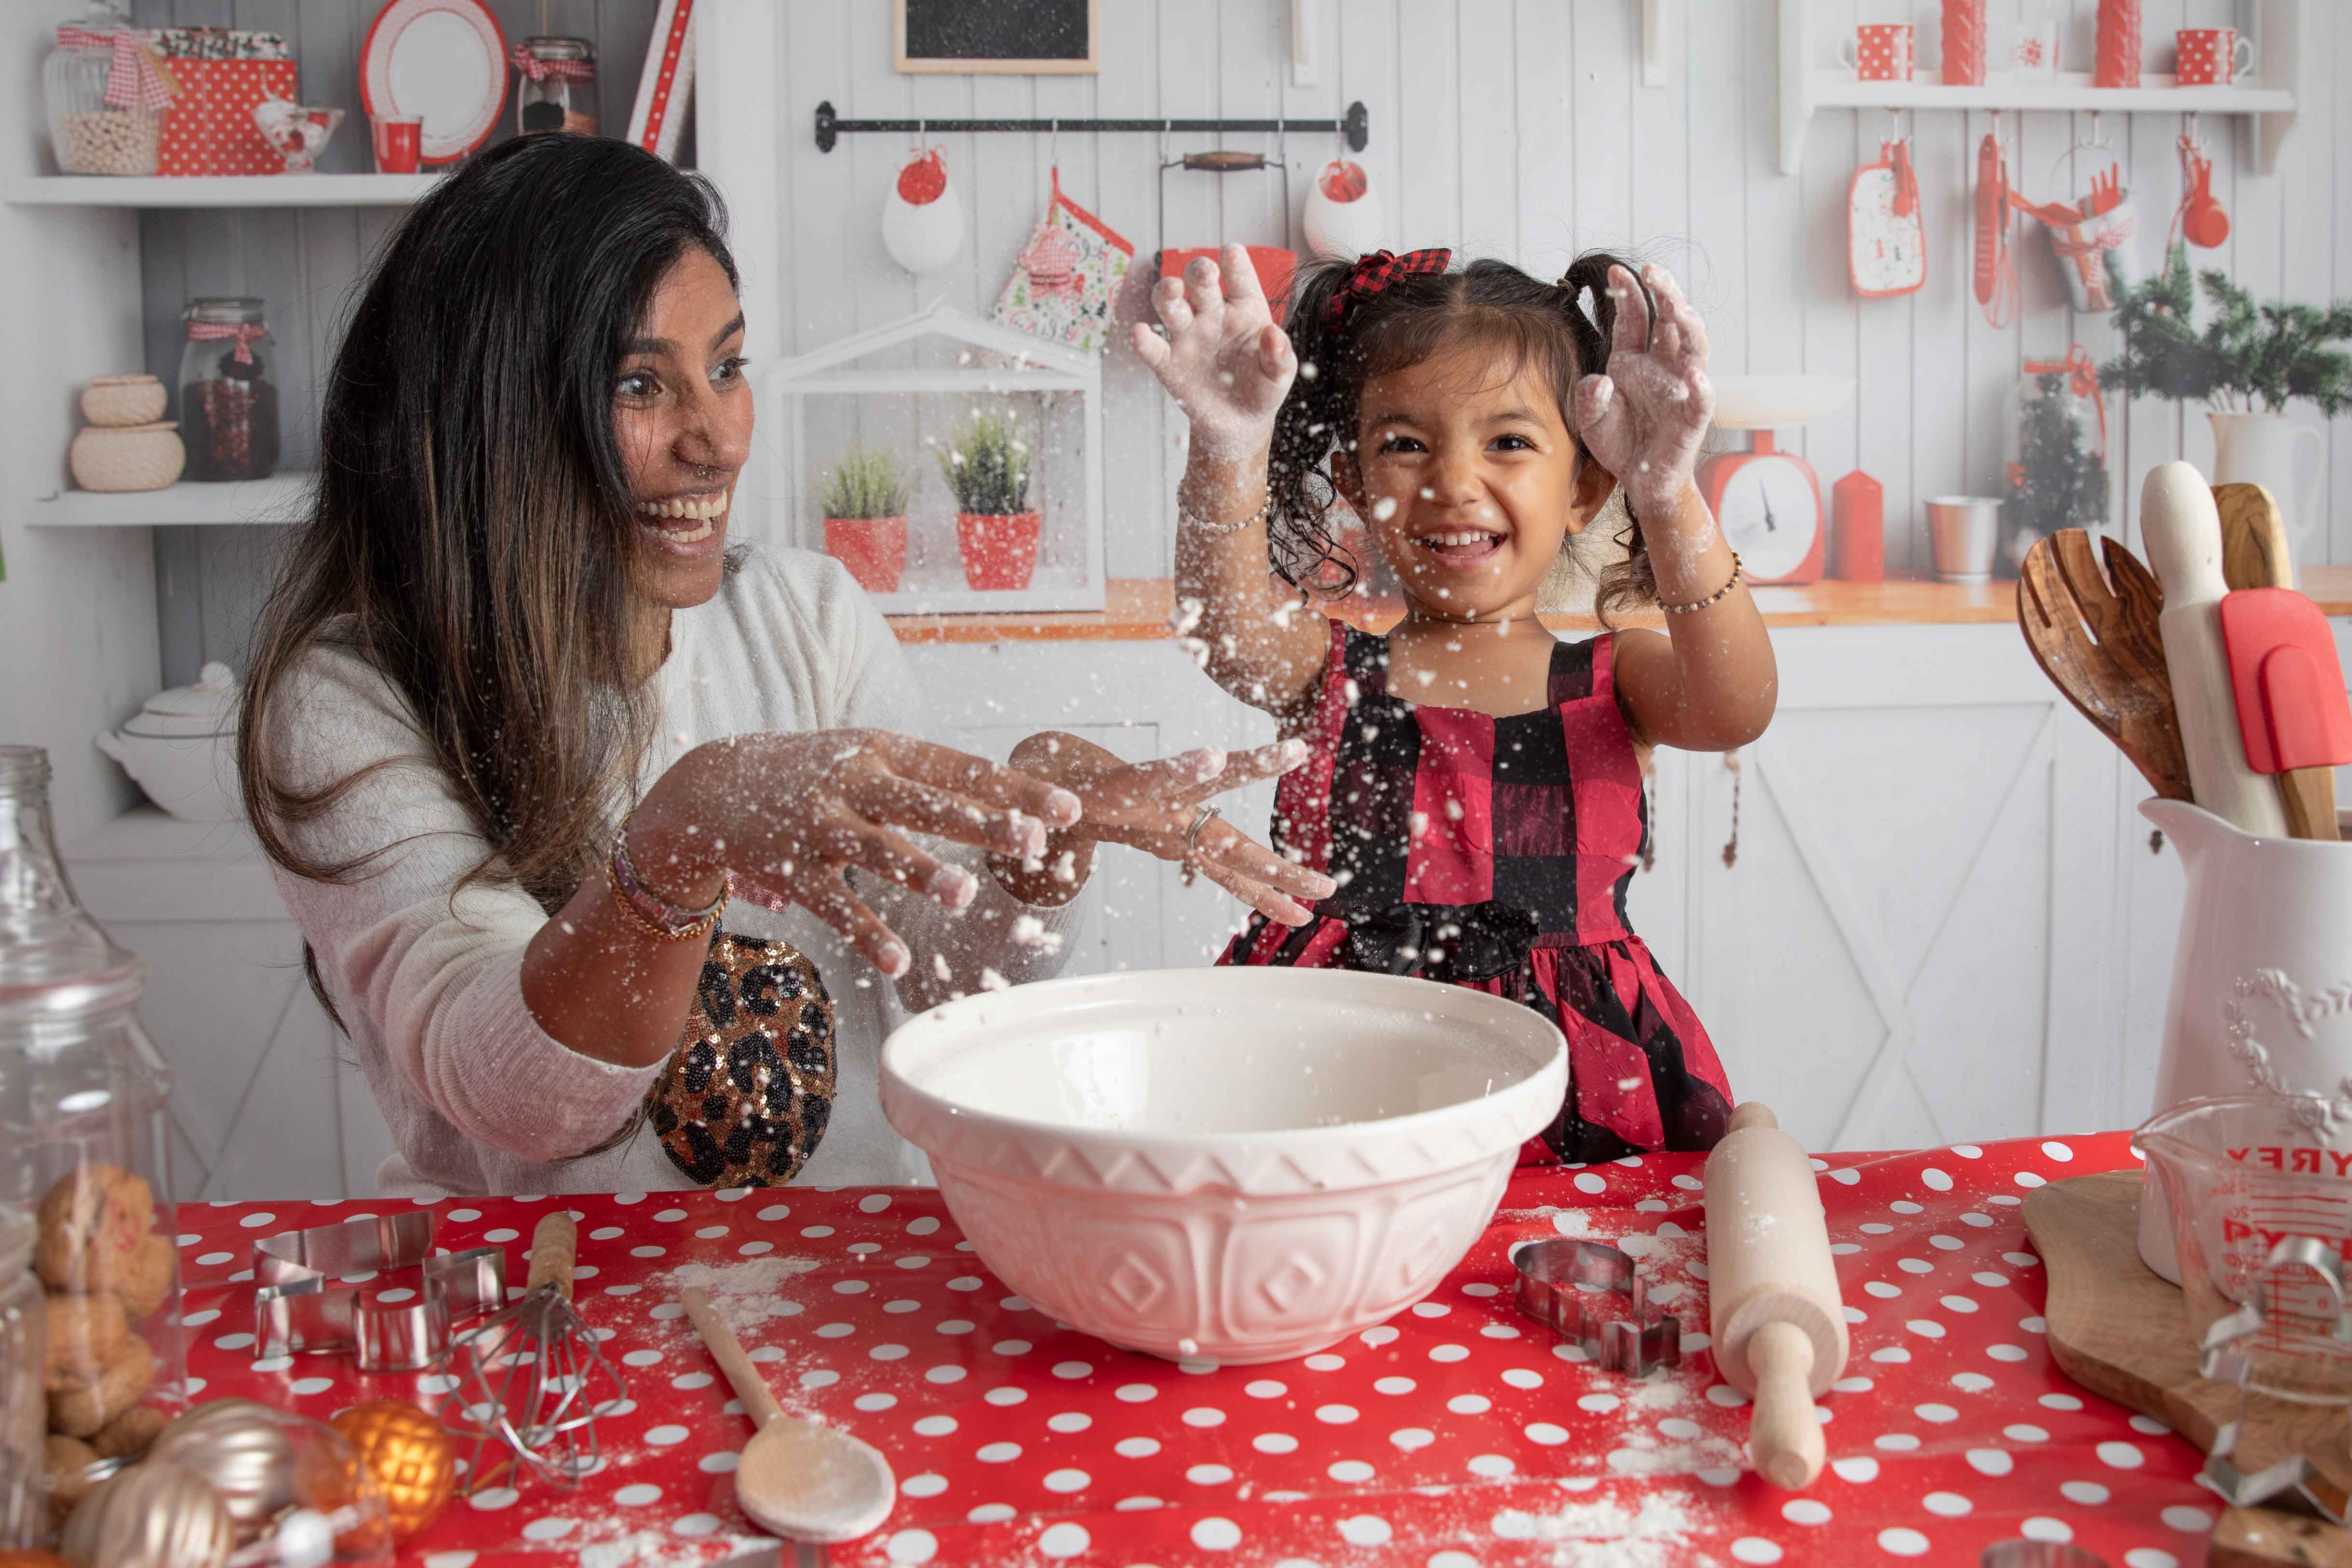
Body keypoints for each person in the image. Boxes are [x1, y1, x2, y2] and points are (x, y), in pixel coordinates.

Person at [236, 136, 1331, 1199]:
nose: (717, 439)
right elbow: (517, 1101)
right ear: (490, 413)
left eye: (725, 367)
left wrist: (1039, 850)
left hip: (834, 1287)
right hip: (546, 1313)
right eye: (638, 385)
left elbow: (941, 980)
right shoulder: (354, 701)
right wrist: (673, 842)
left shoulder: (805, 617)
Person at [1134, 244, 1777, 1161]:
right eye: (1404, 443)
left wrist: (1667, 492)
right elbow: (1222, 630)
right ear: (1355, 480)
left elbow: (1736, 706)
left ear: (1587, 483)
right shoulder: (1328, 668)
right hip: (1334, 1066)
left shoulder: (1616, 677)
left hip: (1570, 1090)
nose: (1451, 482)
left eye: (1509, 441)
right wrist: (1227, 446)